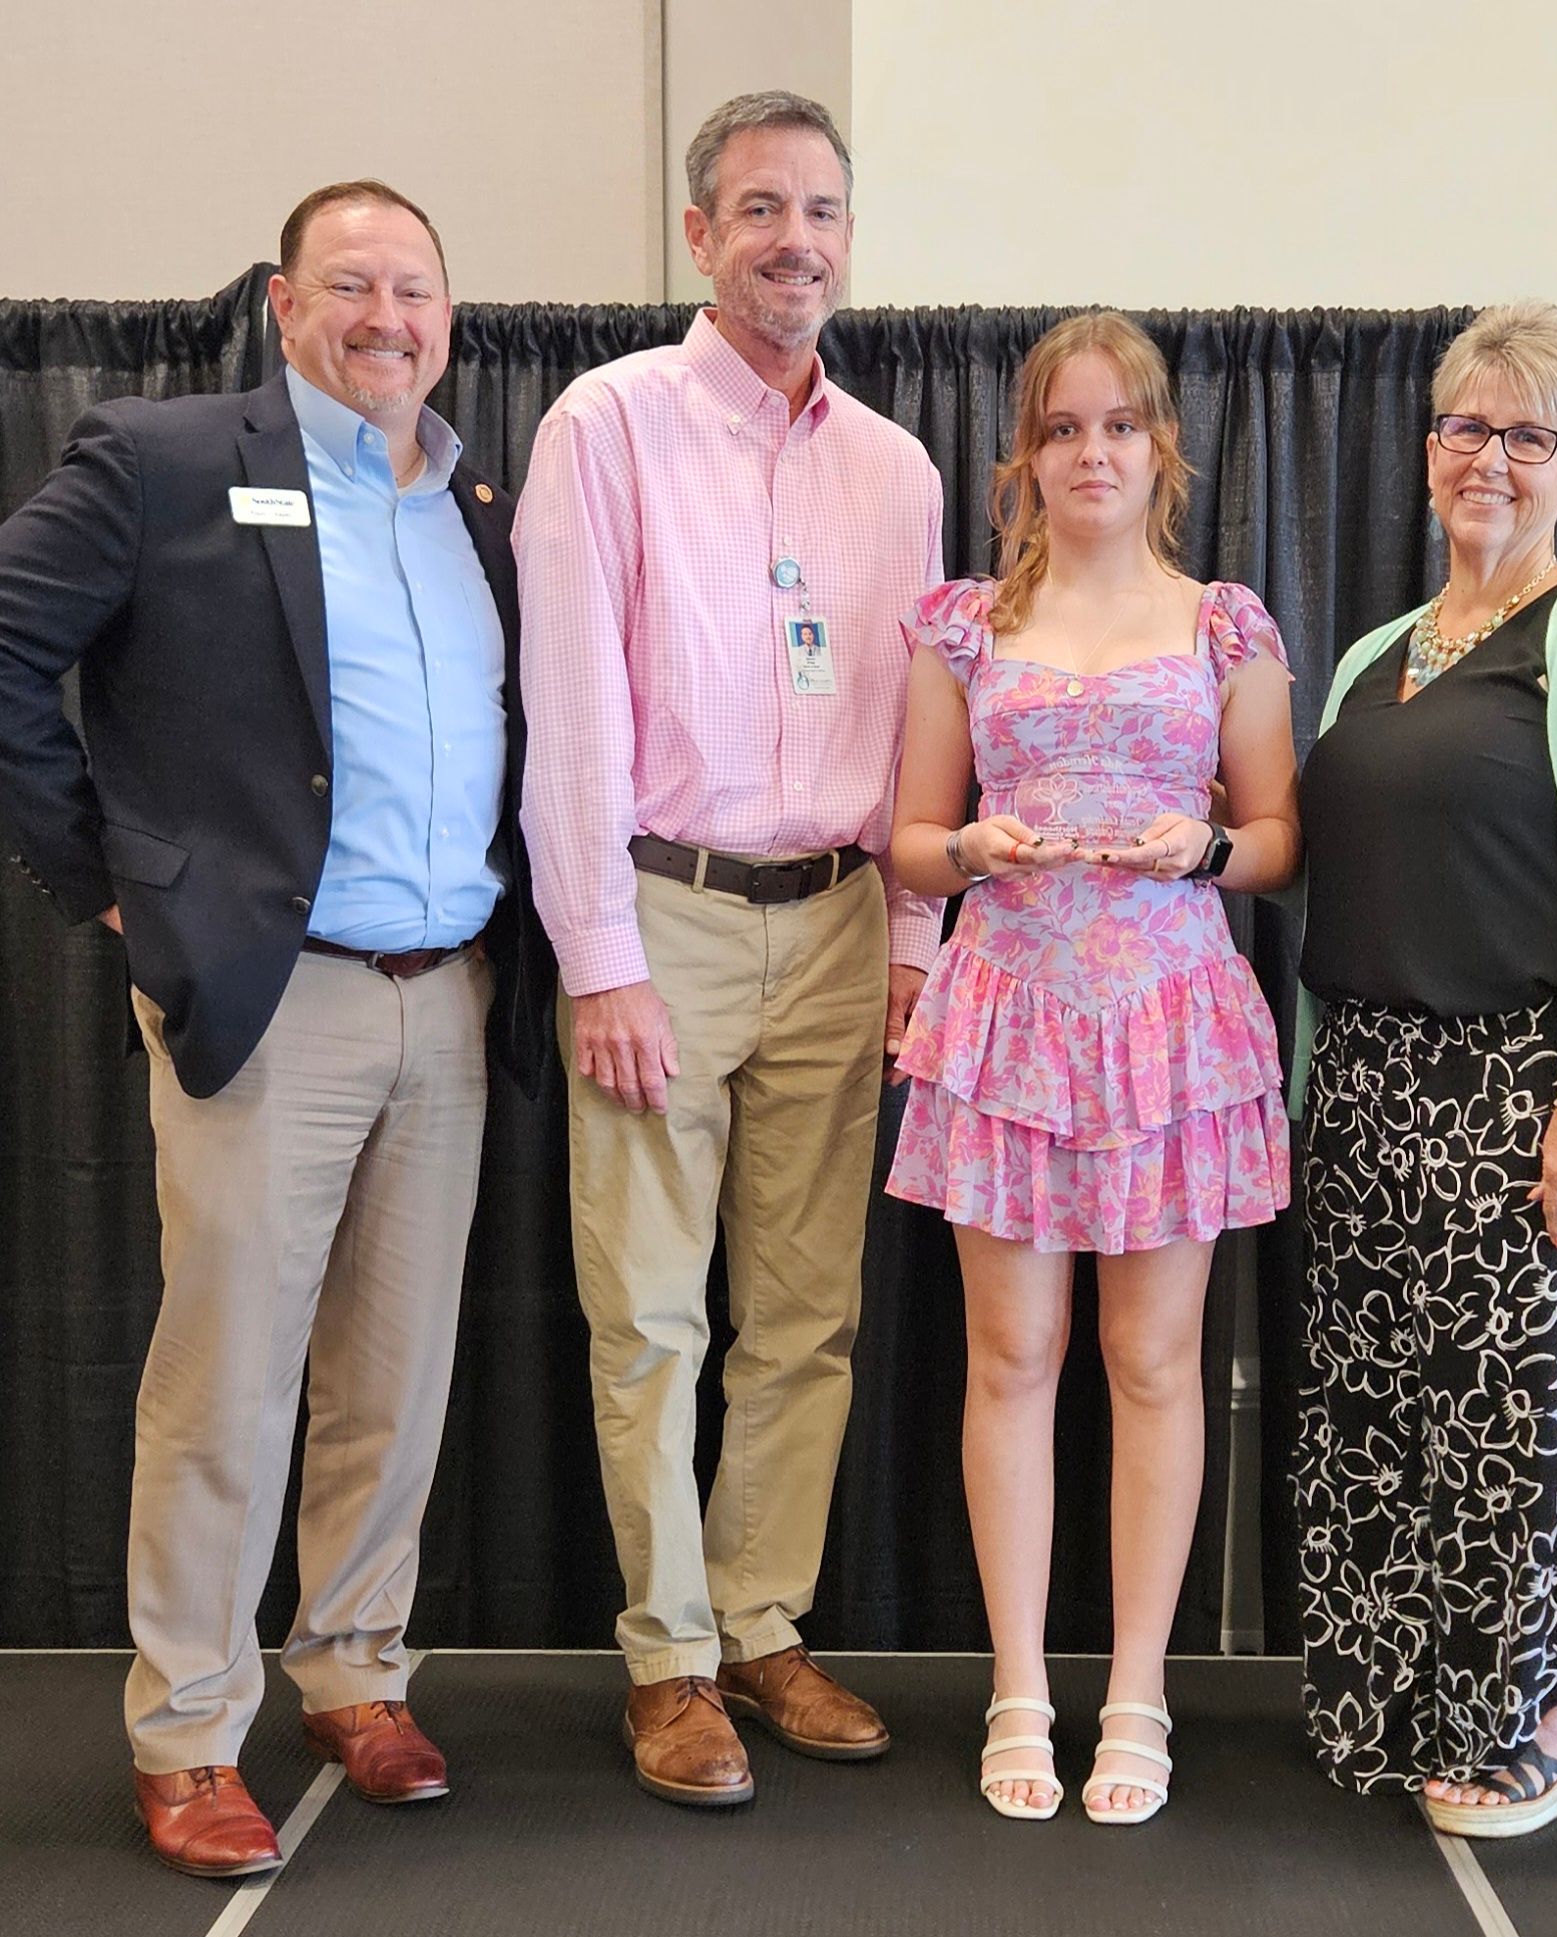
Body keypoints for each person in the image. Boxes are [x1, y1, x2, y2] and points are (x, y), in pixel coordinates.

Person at [0, 180, 551, 1875]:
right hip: (272, 993)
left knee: (394, 1372)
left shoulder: (470, 489)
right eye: (354, 284)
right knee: (229, 1381)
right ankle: (187, 1727)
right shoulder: (166, 460)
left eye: (418, 288)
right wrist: (105, 878)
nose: (389, 314)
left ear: (450, 315)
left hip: (447, 994)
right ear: (282, 297)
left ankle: (355, 1671)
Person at [514, 91, 943, 1807]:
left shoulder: (897, 467)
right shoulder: (604, 425)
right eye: (760, 208)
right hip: (664, 918)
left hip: (841, 920)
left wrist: (914, 931)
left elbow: (926, 721)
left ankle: (765, 1624)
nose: (796, 239)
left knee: (806, 1315)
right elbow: (569, 709)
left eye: (823, 210)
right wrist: (598, 953)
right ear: (700, 235)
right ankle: (670, 1658)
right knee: (647, 1315)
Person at [1291, 300, 1557, 1836]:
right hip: (1377, 1091)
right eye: (1466, 425)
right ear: (1427, 453)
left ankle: (1546, 1713)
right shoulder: (1371, 659)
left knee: (1525, 1422)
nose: (1489, 456)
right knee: (1396, 1413)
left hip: (1538, 1096)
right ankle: (1414, 1690)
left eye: (1528, 434)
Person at [887, 311, 1299, 1824]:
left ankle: (1136, 1688)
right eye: (1063, 428)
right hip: (1006, 1013)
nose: (1092, 452)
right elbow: (911, 840)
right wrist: (969, 846)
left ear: (1160, 444)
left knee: (1152, 1361)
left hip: (1172, 1021)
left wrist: (1204, 845)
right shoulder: (961, 625)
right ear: (1027, 453)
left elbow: (1275, 837)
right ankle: (1016, 1682)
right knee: (1012, 1358)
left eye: (1119, 424)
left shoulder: (1227, 626)